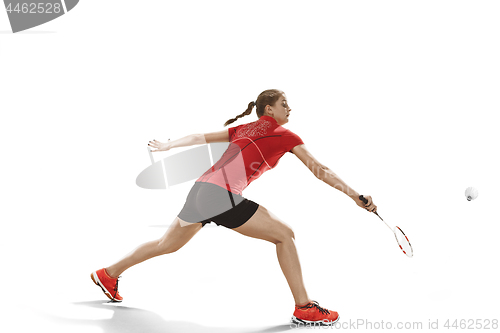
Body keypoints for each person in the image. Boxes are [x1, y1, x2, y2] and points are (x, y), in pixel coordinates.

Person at [91, 89, 377, 326]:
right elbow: (320, 169)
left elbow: (198, 137)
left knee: (167, 244)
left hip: (201, 190)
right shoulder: (284, 135)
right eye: (284, 104)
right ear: (269, 109)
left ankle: (109, 273)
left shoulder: (244, 128)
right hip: (220, 194)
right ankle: (304, 307)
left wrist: (169, 145)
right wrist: (355, 196)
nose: (290, 109)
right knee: (285, 234)